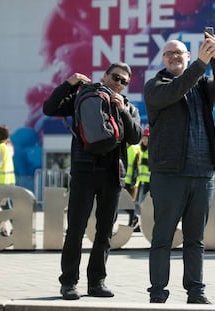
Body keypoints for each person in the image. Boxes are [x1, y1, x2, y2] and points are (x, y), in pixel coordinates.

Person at [143, 34, 215, 304]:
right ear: (163, 60)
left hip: (202, 174)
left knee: (196, 240)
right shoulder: (155, 86)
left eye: (179, 53)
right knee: (163, 238)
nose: (174, 57)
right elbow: (176, 90)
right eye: (169, 54)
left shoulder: (203, 86)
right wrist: (201, 65)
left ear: (188, 56)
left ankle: (196, 290)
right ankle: (158, 292)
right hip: (169, 175)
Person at [43, 62, 142, 300]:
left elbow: (136, 137)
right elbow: (50, 108)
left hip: (113, 174)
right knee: (75, 229)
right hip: (84, 171)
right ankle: (68, 283)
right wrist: (69, 84)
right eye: (116, 77)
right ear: (105, 75)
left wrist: (124, 111)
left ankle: (97, 282)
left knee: (105, 232)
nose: (119, 83)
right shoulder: (85, 96)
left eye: (124, 82)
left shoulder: (128, 105)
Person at [132, 127, 151, 230]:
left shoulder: (152, 151)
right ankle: (137, 224)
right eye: (144, 138)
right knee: (138, 204)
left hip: (150, 183)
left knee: (145, 205)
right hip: (140, 182)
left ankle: (145, 224)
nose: (145, 140)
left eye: (147, 138)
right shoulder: (139, 150)